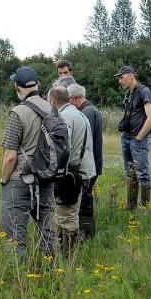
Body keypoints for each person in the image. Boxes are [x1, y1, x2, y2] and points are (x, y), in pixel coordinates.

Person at [0, 67, 55, 258]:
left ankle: (17, 280)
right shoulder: (53, 109)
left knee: (14, 237)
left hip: (20, 180)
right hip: (47, 178)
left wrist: (4, 180)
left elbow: (10, 156)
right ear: (37, 85)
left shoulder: (18, 112)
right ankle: (51, 272)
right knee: (47, 233)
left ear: (17, 87)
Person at [48, 86, 96, 257]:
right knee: (67, 213)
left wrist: (52, 170)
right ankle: (64, 251)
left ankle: (68, 255)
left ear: (52, 100)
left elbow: (62, 147)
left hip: (70, 174)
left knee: (66, 215)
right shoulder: (79, 113)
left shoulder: (64, 116)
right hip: (82, 171)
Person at [115, 65, 151, 211]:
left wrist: (139, 138)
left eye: (121, 77)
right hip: (126, 137)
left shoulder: (144, 91)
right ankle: (131, 207)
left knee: (142, 174)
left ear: (131, 75)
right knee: (130, 172)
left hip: (137, 139)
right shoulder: (129, 93)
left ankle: (145, 210)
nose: (119, 81)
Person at [68, 83, 103, 238]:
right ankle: (86, 232)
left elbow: (81, 140)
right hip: (93, 163)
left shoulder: (86, 112)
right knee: (85, 197)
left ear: (74, 99)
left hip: (89, 165)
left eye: (69, 101)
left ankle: (86, 233)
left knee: (84, 199)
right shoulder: (91, 109)